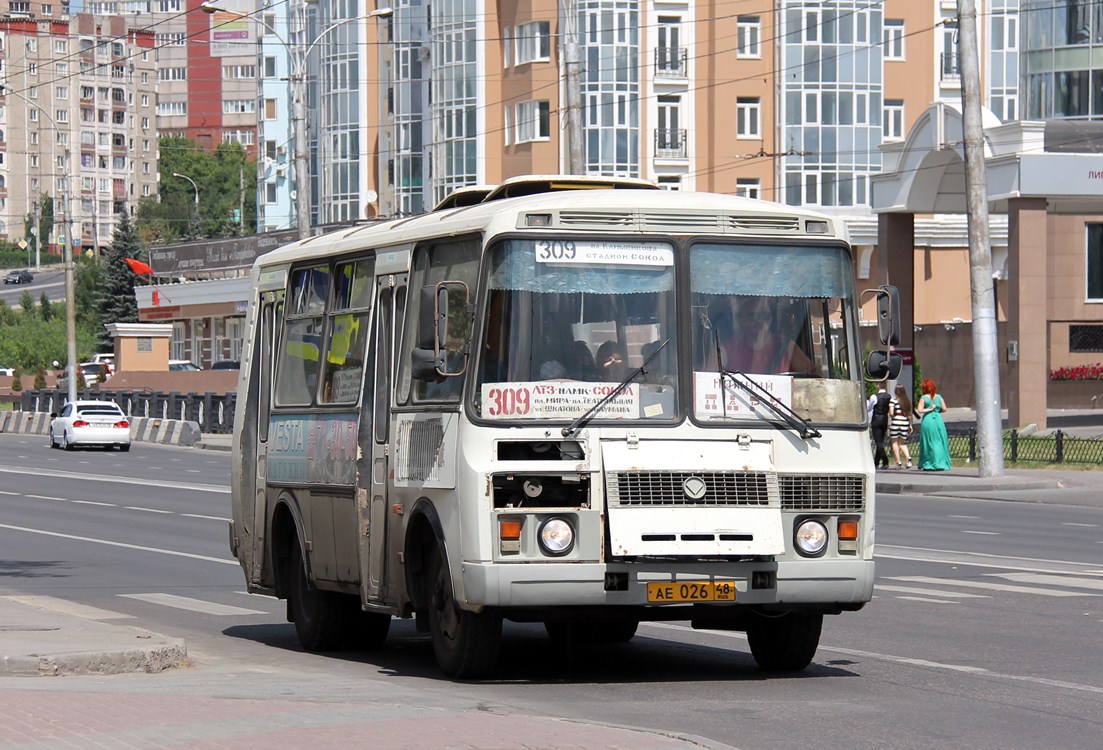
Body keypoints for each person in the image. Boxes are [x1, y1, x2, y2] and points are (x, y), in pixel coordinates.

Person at [722, 297, 814, 374]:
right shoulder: (726, 348)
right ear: (740, 320)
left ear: (770, 320)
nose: (760, 321)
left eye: (764, 316)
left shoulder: (785, 346)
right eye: (752, 316)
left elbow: (816, 378)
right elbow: (709, 381)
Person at [916, 378, 951, 471]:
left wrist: (929, 409)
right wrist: (936, 409)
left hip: (928, 420)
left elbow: (919, 410)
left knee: (929, 441)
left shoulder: (923, 398)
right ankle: (940, 462)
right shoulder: (939, 397)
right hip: (938, 420)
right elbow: (944, 409)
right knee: (939, 440)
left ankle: (930, 462)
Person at [888, 383, 914, 469]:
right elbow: (909, 414)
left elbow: (891, 413)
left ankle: (898, 462)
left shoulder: (893, 400)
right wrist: (910, 425)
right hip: (905, 422)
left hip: (896, 422)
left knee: (894, 442)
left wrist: (892, 417)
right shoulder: (906, 401)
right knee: (902, 443)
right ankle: (908, 458)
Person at [867, 381, 890, 469]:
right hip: (885, 419)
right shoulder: (889, 396)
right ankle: (876, 462)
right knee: (880, 441)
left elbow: (869, 408)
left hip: (876, 419)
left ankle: (885, 460)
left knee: (878, 442)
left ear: (878, 386)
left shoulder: (874, 396)